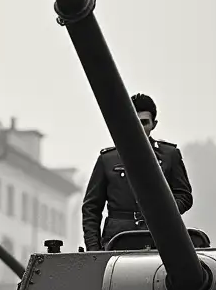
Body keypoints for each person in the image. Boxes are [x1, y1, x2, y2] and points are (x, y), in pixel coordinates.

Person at [81, 93, 194, 250]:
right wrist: (93, 249)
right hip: (117, 239)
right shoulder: (108, 159)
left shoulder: (169, 155)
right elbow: (91, 207)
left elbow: (184, 195)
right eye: (134, 122)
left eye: (144, 123)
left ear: (153, 124)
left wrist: (165, 211)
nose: (139, 128)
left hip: (160, 237)